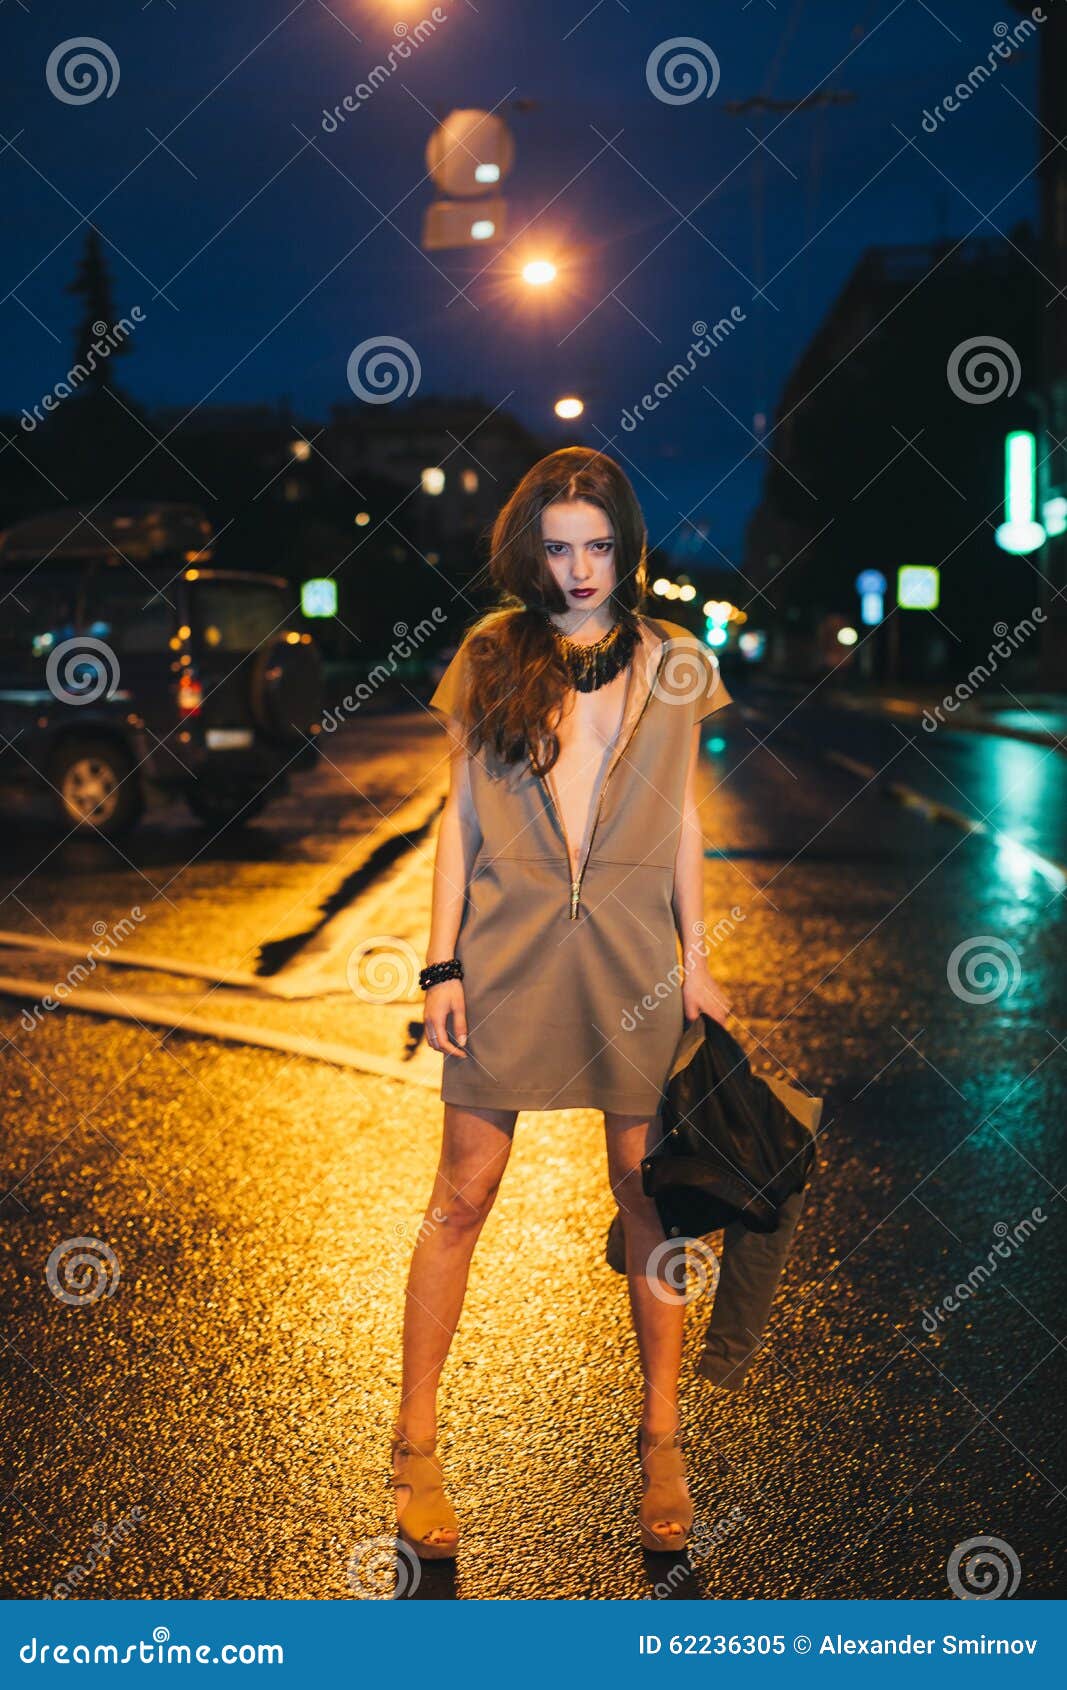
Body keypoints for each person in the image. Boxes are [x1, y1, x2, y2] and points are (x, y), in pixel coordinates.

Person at [391, 447, 734, 1560]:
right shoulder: (491, 652)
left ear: (624, 547)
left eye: (596, 545)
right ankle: (414, 1446)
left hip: (633, 955)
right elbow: (460, 821)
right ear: (528, 550)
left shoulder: (675, 661)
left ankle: (662, 1439)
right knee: (462, 1191)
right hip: (509, 946)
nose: (579, 567)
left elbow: (680, 814)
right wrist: (439, 964)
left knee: (649, 1194)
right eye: (557, 546)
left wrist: (698, 954)